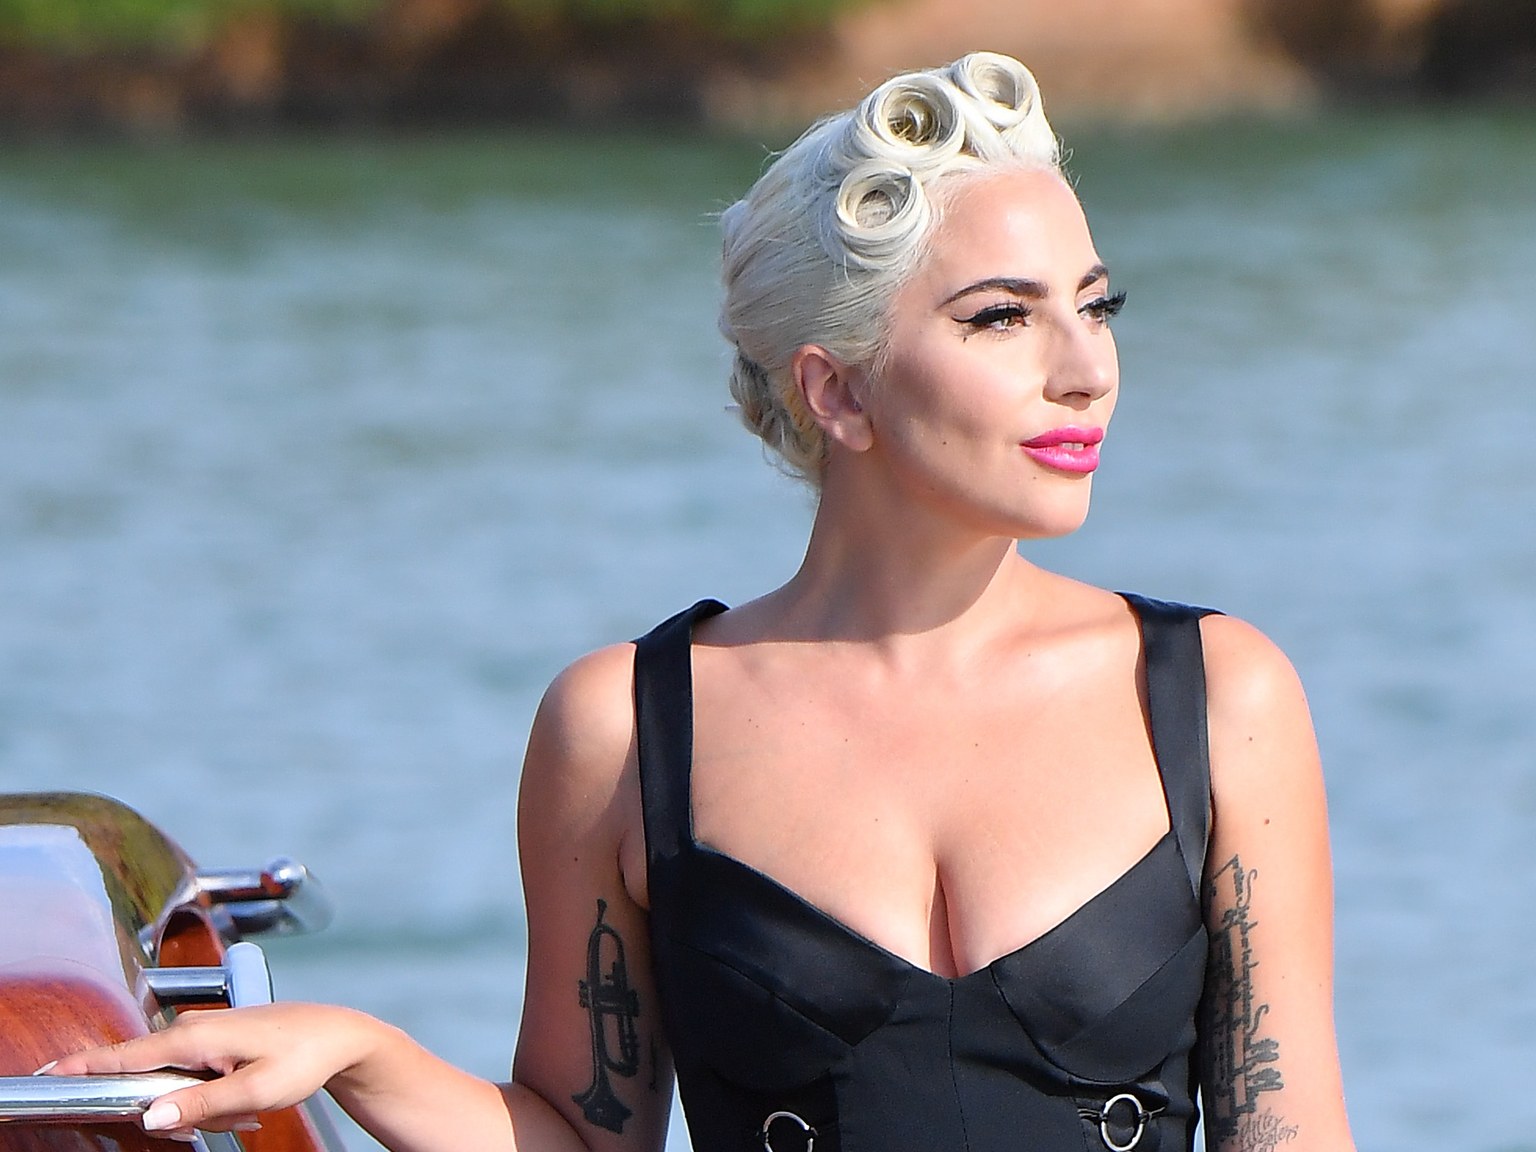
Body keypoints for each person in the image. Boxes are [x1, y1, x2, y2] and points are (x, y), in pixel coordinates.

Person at [47, 51, 1356, 1152]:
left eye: (1095, 305)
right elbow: (582, 1136)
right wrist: (361, 1052)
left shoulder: (1213, 697)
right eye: (1002, 319)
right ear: (838, 391)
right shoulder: (625, 728)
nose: (1087, 370)